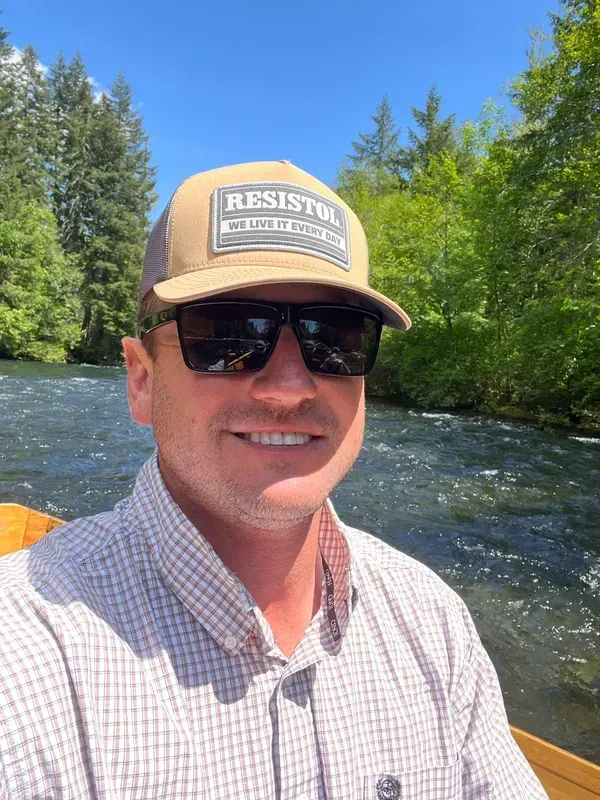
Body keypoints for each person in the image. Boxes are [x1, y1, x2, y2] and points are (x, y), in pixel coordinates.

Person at [0, 161, 547, 799]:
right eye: (229, 333)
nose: (291, 384)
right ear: (142, 378)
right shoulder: (26, 659)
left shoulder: (433, 623)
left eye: (335, 336)